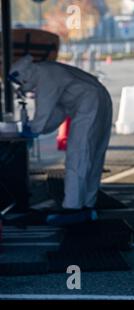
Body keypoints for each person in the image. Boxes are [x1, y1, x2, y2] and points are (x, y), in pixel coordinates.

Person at [9, 55, 113, 226]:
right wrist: (38, 128)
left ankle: (72, 207)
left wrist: (32, 129)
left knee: (78, 153)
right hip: (99, 98)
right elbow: (57, 112)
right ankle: (88, 204)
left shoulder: (45, 75)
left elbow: (44, 109)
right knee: (94, 155)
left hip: (90, 103)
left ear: (24, 74)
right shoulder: (51, 74)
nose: (22, 87)